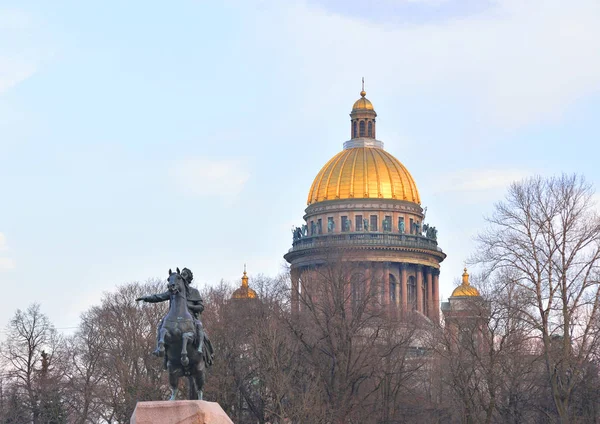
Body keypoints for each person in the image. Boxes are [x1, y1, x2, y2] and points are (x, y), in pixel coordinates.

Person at [137, 268, 212, 364]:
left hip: (190, 316)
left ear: (188, 278)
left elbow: (201, 306)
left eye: (185, 274)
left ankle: (200, 347)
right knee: (161, 325)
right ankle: (159, 348)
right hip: (174, 317)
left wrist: (189, 306)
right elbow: (159, 297)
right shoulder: (174, 291)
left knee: (199, 325)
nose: (183, 276)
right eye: (182, 274)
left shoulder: (194, 291)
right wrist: (146, 298)